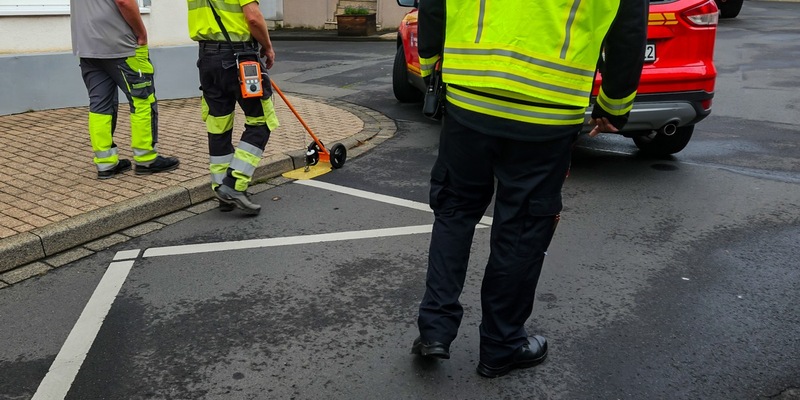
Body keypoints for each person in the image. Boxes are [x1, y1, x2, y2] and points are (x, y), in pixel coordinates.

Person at [411, 0, 648, 378]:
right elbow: (629, 30)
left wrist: (430, 67)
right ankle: (501, 345)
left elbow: (434, 5)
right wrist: (614, 105)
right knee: (522, 227)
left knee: (455, 210)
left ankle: (435, 331)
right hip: (548, 109)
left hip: (470, 95)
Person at [187, 0, 280, 215]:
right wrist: (267, 47)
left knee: (218, 124)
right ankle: (235, 182)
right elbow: (253, 18)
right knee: (262, 120)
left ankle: (221, 189)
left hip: (207, 59)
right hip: (239, 57)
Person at [70, 0, 180, 180]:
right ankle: (146, 159)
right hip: (122, 45)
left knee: (100, 106)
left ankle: (106, 163)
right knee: (142, 100)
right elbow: (124, 2)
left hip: (87, 46)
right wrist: (141, 33)